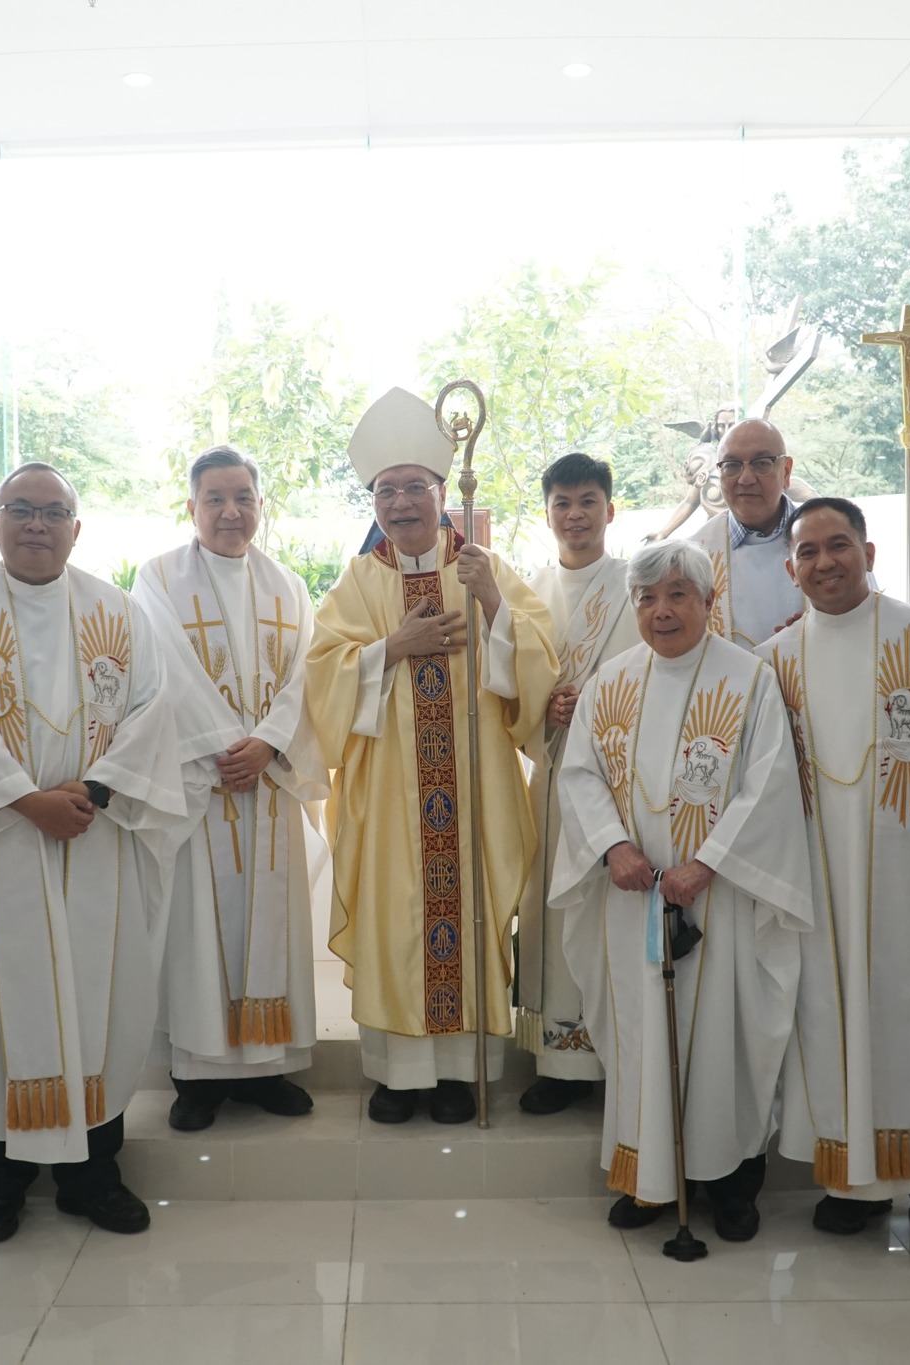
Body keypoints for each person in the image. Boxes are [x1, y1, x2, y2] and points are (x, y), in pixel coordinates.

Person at [0, 462, 191, 1242]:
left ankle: (92, 1177)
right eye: (21, 509)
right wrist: (27, 799)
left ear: (77, 526)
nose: (37, 524)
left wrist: (96, 791)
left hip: (96, 842)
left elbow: (150, 710)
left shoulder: (119, 613)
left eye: (53, 511)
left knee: (97, 1003)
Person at [306, 386, 558, 1124]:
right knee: (395, 918)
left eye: (415, 486)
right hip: (389, 797)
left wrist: (492, 606)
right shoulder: (359, 580)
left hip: (471, 784)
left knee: (468, 912)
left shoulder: (482, 566)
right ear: (374, 503)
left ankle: (459, 1075)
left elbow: (537, 656)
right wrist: (392, 647)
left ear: (443, 493)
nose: (401, 502)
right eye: (387, 490)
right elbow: (322, 674)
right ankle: (399, 1077)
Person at [552, 540, 811, 1242]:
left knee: (722, 1031)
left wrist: (708, 864)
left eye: (676, 595)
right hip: (633, 893)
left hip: (718, 896)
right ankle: (650, 1176)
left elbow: (769, 785)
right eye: (646, 598)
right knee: (643, 1033)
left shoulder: (749, 679)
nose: (660, 610)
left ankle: (727, 1179)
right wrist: (614, 847)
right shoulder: (611, 680)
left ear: (707, 601)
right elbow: (578, 775)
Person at [758, 498, 910, 1253]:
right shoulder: (776, 659)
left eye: (839, 545)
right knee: (830, 1016)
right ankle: (849, 1182)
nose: (824, 562)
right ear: (790, 567)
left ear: (868, 549)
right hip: (820, 872)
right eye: (808, 551)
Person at [133, 445, 330, 1132]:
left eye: (243, 496)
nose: (230, 511)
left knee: (271, 922)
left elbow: (310, 673)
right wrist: (225, 746)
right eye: (215, 498)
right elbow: (165, 670)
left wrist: (270, 742)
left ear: (260, 505)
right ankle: (198, 1077)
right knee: (199, 927)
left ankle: (268, 1068)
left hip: (268, 782)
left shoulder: (289, 586)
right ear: (191, 507)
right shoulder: (156, 579)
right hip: (201, 784)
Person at [514, 452, 642, 1115]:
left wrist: (594, 705)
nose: (574, 515)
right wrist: (543, 711)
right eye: (562, 503)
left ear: (610, 510)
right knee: (553, 911)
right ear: (547, 514)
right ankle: (558, 1063)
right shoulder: (528, 593)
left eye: (588, 500)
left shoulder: (637, 585)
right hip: (558, 775)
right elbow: (507, 690)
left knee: (608, 916)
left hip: (625, 780)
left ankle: (619, 1058)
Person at [683, 419, 805, 647]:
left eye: (761, 463)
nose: (746, 479)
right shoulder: (693, 555)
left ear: (786, 471)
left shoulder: (829, 542)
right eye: (731, 465)